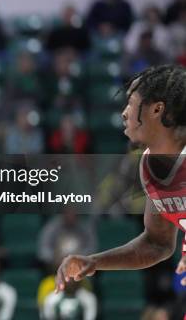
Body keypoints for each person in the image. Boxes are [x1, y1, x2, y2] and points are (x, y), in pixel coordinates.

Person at [55, 65, 186, 293]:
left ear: (157, 110)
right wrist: (95, 261)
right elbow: (157, 243)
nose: (124, 113)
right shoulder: (149, 167)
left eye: (132, 104)